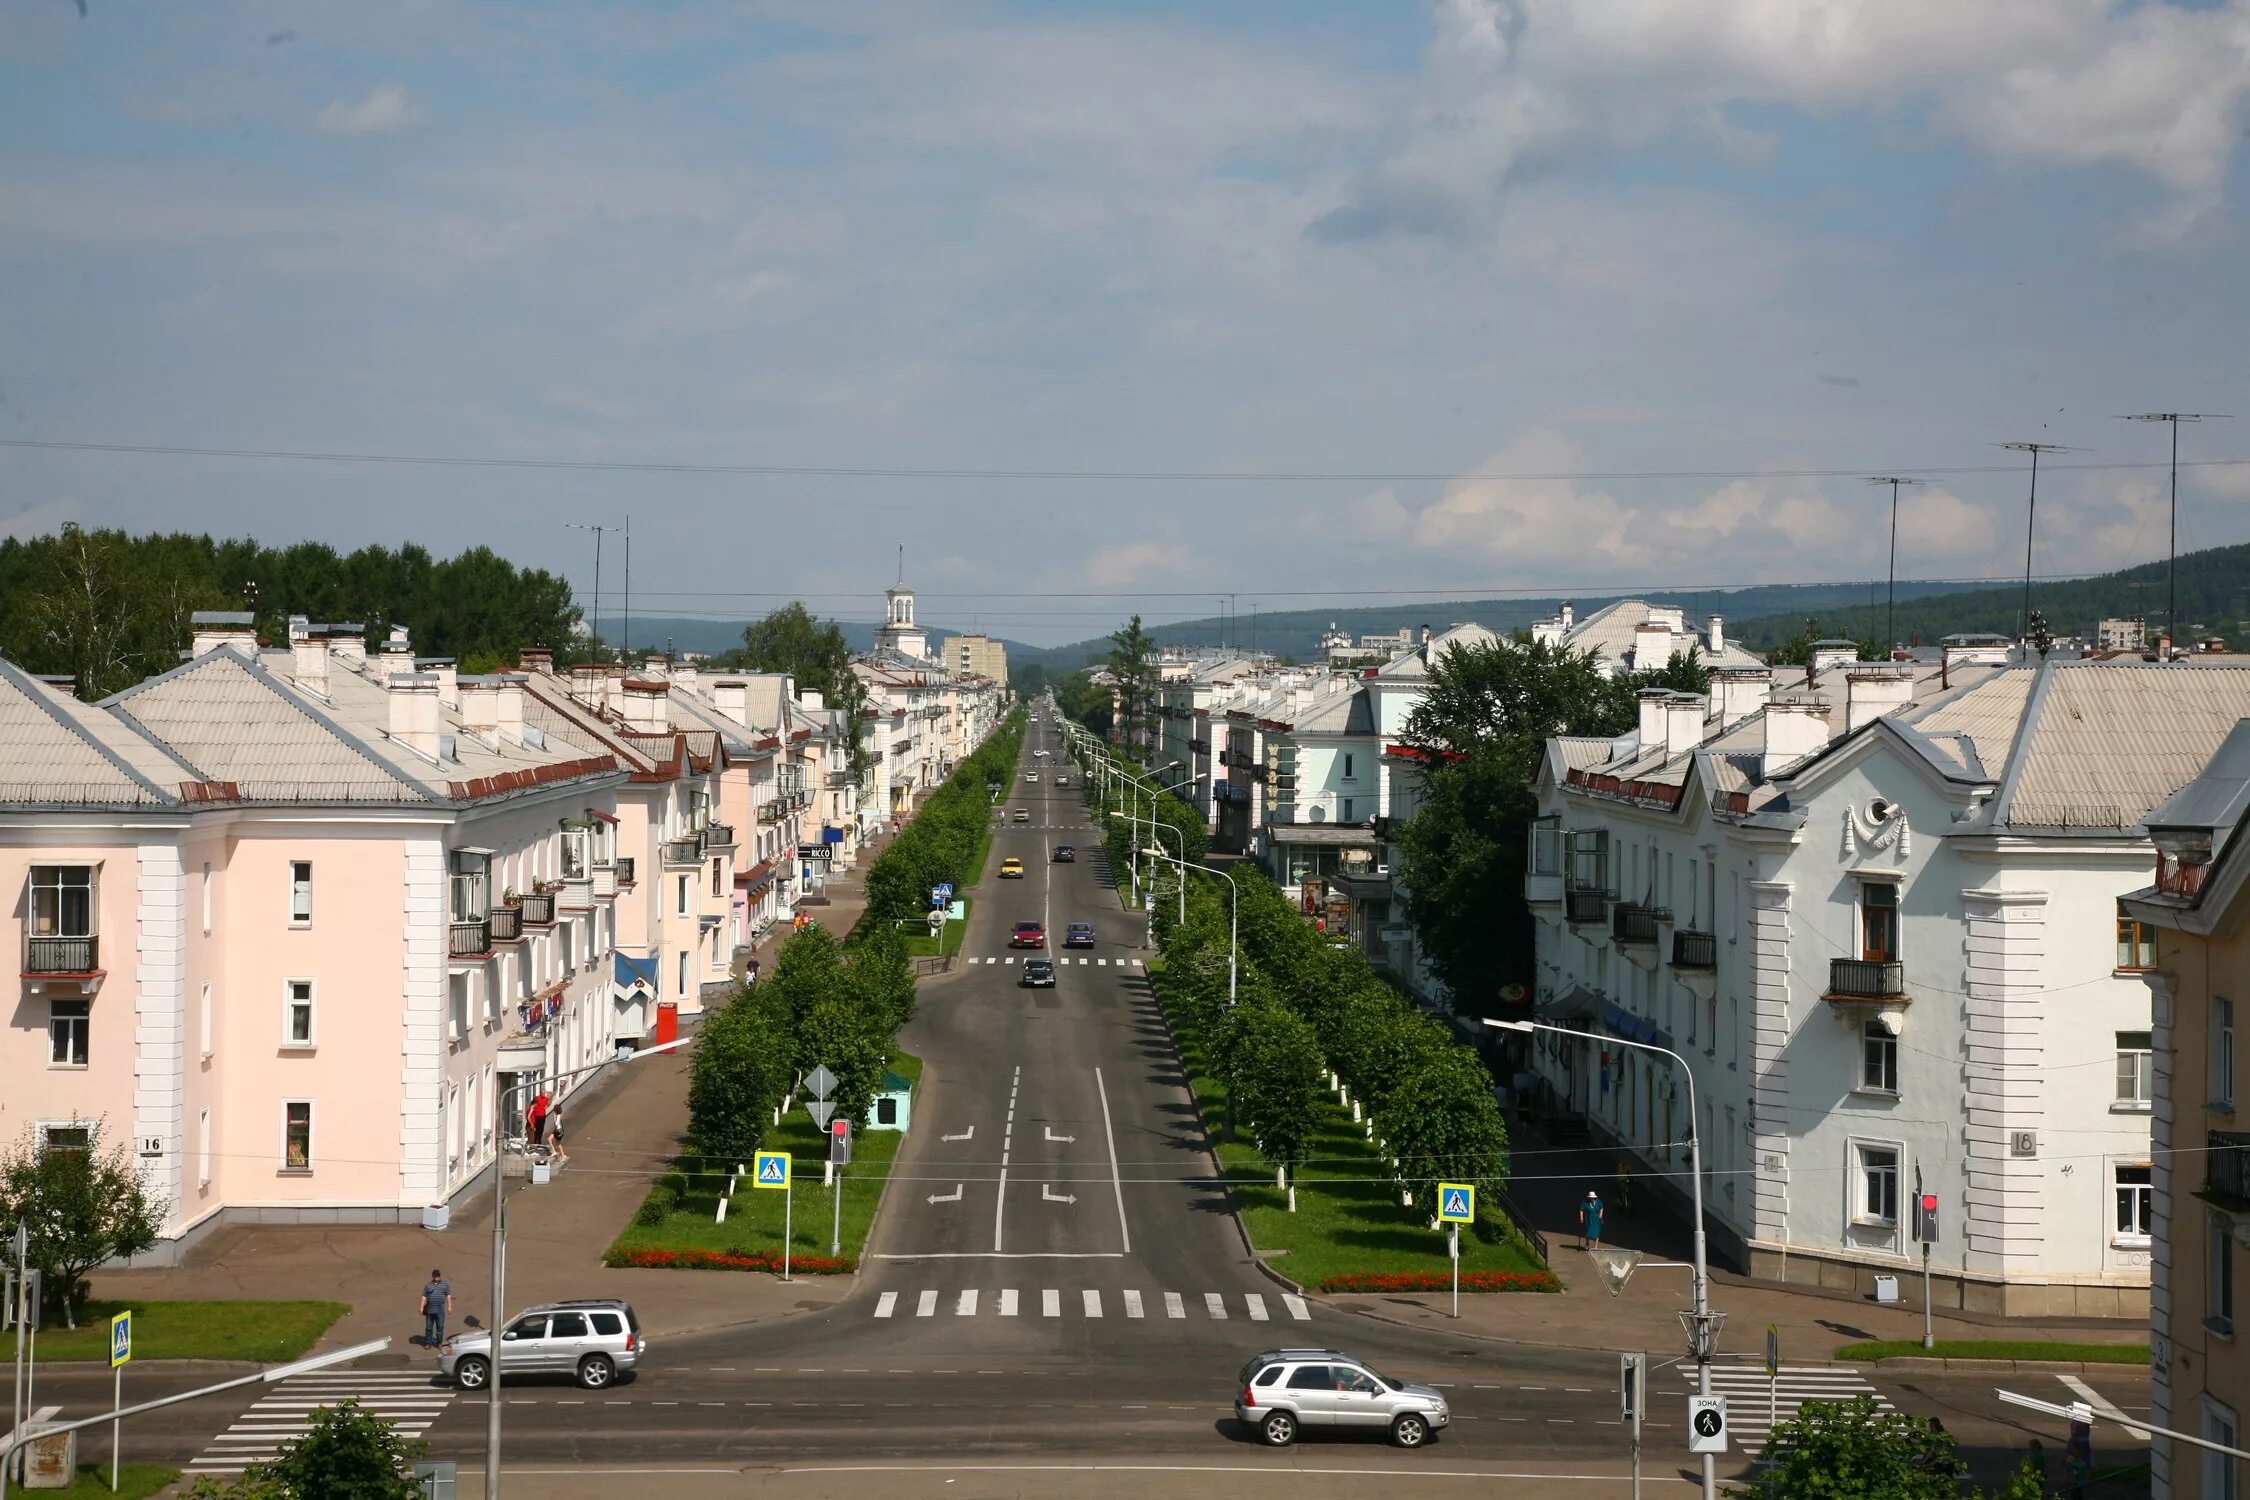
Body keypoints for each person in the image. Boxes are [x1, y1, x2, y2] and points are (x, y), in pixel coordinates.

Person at [420, 1268, 453, 1351]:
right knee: (428, 1328)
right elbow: (424, 1296)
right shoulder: (428, 1285)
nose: (438, 1277)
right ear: (433, 1276)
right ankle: (428, 1343)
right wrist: (421, 1307)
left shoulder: (445, 1284)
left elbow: (448, 1295)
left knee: (440, 1328)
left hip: (440, 1310)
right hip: (430, 1310)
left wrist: (450, 1306)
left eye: (438, 1275)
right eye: (436, 1276)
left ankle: (439, 1343)